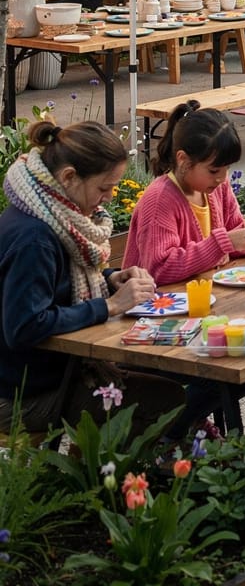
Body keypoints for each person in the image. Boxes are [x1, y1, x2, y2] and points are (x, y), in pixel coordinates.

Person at [0, 120, 169, 433]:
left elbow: (57, 281)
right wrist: (109, 306)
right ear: (69, 177)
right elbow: (24, 327)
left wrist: (109, 278)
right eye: (104, 188)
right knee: (165, 398)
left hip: (39, 376)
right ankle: (112, 478)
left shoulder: (48, 214)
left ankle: (106, 471)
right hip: (18, 395)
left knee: (159, 384)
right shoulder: (35, 238)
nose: (110, 197)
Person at [123, 103, 245, 282]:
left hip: (204, 296)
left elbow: (235, 232)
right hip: (160, 304)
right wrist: (224, 243)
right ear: (183, 160)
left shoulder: (217, 187)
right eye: (214, 170)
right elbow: (159, 268)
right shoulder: (159, 199)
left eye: (228, 168)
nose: (223, 178)